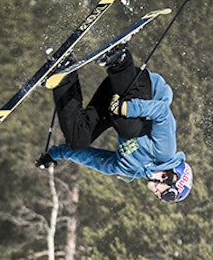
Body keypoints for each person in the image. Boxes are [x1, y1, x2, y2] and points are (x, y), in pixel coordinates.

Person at [36, 46, 192, 203]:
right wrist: (129, 108)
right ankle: (119, 60)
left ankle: (64, 75)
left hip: (115, 103)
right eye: (167, 195)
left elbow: (93, 159)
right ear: (171, 177)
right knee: (129, 130)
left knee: (78, 139)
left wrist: (54, 155)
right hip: (140, 87)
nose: (159, 197)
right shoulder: (165, 152)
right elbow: (162, 112)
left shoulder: (130, 169)